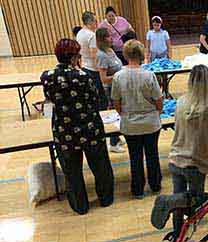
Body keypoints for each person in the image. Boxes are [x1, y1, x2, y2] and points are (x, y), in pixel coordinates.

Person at [40, 39, 114, 215]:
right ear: (74, 58)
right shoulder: (83, 77)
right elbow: (95, 98)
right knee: (100, 166)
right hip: (89, 128)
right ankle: (105, 198)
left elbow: (50, 98)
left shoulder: (47, 77)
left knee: (72, 171)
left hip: (64, 130)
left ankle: (80, 206)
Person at [168, 64, 208, 240]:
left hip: (175, 159)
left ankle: (177, 232)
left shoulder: (181, 102)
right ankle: (190, 231)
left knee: (179, 199)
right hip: (196, 164)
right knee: (195, 203)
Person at [111, 40, 163, 199]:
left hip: (130, 124)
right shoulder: (149, 75)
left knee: (135, 157)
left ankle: (138, 189)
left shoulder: (118, 76)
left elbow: (116, 103)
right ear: (141, 55)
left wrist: (126, 114)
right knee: (152, 154)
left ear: (126, 55)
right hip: (150, 124)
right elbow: (159, 102)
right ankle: (155, 185)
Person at [96, 28, 125, 153]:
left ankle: (117, 138)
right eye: (108, 37)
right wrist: (118, 76)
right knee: (116, 114)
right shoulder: (101, 55)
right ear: (102, 39)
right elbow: (103, 78)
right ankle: (113, 142)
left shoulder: (110, 51)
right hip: (111, 89)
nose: (111, 38)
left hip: (118, 86)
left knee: (120, 113)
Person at [76, 11, 108, 110]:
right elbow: (94, 55)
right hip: (93, 70)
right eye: (95, 21)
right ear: (90, 22)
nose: (97, 23)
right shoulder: (91, 35)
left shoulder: (80, 33)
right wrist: (101, 71)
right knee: (101, 99)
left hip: (85, 66)